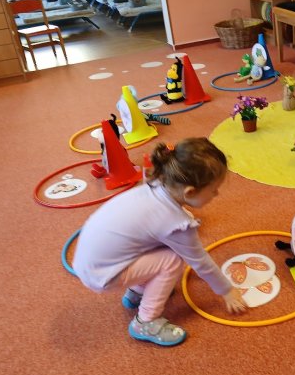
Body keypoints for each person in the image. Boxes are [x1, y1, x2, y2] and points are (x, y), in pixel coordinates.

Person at [72, 137, 247, 347]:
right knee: (173, 259)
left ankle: (137, 292)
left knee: (159, 246)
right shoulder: (175, 224)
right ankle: (145, 322)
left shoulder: (154, 185)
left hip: (92, 261)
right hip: (103, 273)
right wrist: (226, 290)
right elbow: (201, 262)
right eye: (214, 190)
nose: (216, 194)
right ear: (190, 192)